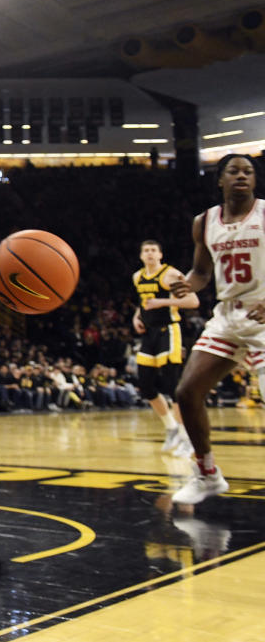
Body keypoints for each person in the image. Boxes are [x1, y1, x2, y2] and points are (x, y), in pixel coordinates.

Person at [170, 153, 265, 505]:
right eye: (234, 171)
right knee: (186, 392)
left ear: (254, 181)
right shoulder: (204, 221)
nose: (242, 176)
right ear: (220, 180)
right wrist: (187, 285)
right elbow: (202, 272)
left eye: (248, 172)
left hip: (264, 315)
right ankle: (207, 474)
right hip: (227, 317)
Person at [132, 239, 199, 456]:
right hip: (150, 334)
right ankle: (171, 428)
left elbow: (192, 301)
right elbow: (143, 300)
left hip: (169, 331)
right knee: (145, 385)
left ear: (160, 254)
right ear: (141, 256)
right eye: (146, 251)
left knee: (173, 387)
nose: (150, 253)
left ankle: (187, 436)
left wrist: (163, 303)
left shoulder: (170, 275)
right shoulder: (137, 276)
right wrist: (137, 316)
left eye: (153, 250)